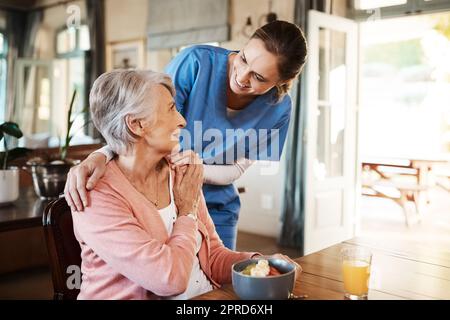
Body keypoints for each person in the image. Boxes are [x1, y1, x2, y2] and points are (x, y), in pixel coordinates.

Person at [65, 20, 308, 250]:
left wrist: (193, 170)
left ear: (282, 81)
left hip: (216, 207)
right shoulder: (196, 63)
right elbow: (140, 121)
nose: (241, 76)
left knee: (218, 288)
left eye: (258, 77)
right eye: (243, 58)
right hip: (159, 198)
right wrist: (102, 154)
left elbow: (236, 169)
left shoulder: (279, 109)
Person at [72, 69, 301, 299]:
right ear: (137, 124)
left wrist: (258, 263)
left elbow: (213, 257)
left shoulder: (180, 172)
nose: (182, 120)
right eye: (171, 109)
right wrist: (187, 211)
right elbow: (170, 280)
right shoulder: (95, 195)